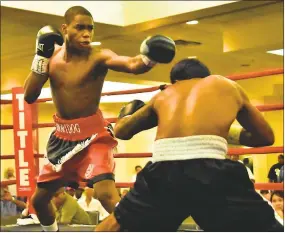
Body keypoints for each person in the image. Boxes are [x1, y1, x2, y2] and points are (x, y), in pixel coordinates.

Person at [23, 5, 175, 232]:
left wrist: (149, 57)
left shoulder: (98, 56)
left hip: (93, 137)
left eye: (90, 29)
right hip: (61, 139)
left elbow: (132, 65)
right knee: (38, 201)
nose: (86, 34)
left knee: (106, 195)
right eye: (80, 28)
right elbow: (29, 95)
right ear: (65, 29)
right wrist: (40, 56)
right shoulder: (51, 58)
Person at [95, 58, 282, 231]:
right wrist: (228, 132)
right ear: (206, 76)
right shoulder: (227, 85)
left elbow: (122, 131)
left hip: (162, 171)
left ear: (174, 81)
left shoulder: (165, 94)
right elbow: (265, 137)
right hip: (212, 171)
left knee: (114, 225)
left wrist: (127, 115)